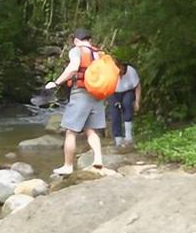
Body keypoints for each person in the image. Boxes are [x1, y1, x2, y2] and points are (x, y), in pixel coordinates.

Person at [44, 28, 106, 175]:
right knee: (91, 130)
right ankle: (98, 160)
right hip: (97, 94)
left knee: (70, 131)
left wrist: (56, 82)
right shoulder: (99, 53)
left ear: (76, 40)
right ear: (89, 40)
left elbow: (73, 68)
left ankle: (68, 166)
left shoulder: (77, 50)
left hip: (81, 93)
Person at [108, 62, 141, 147]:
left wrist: (137, 101)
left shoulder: (131, 71)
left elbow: (137, 86)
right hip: (113, 92)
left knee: (127, 106)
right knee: (115, 114)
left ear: (123, 67)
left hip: (128, 91)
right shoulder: (110, 71)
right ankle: (118, 139)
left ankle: (128, 136)